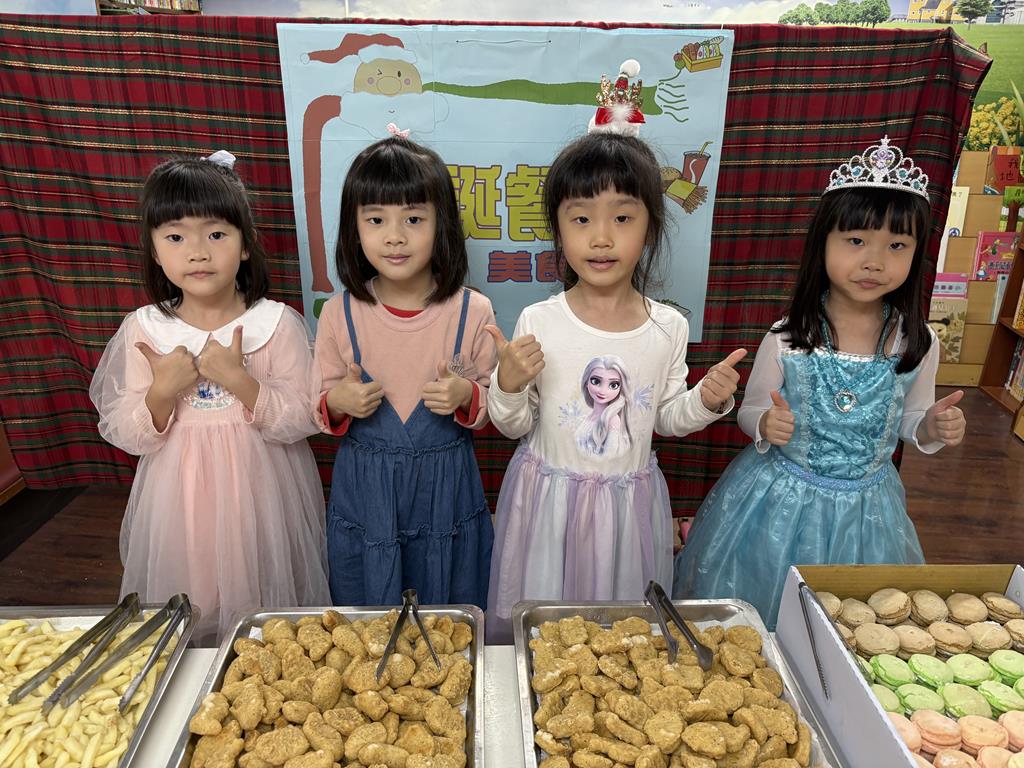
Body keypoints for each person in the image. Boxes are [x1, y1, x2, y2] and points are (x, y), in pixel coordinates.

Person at [485, 60, 746, 642]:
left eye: (622, 218)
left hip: (628, 512)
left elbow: (665, 418)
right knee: (543, 633)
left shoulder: (667, 327)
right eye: (581, 219)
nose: (601, 238)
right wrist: (505, 385)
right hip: (547, 508)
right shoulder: (539, 320)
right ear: (558, 229)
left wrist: (706, 400)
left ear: (650, 228)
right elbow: (515, 424)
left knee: (620, 638)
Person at [674, 136, 967, 628]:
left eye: (897, 246)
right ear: (823, 244)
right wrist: (764, 423)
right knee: (765, 617)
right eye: (856, 241)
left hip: (868, 512)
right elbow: (750, 409)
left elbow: (911, 417)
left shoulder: (916, 340)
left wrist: (930, 427)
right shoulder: (788, 335)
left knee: (856, 622)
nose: (874, 261)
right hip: (778, 501)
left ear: (917, 253)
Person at [90, 151, 329, 644]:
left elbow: (304, 417)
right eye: (176, 237)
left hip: (262, 493)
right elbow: (127, 432)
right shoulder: (145, 329)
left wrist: (241, 381)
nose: (198, 252)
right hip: (180, 499)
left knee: (264, 607)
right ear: (155, 251)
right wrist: (162, 390)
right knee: (189, 601)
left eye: (216, 234)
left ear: (245, 245)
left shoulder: (274, 324)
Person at [315, 134, 496, 609]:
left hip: (446, 492)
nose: (394, 236)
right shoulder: (339, 313)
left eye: (413, 219)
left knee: (448, 614)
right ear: (354, 228)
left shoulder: (472, 311)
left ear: (442, 225)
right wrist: (339, 402)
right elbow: (321, 401)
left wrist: (467, 395)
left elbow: (495, 402)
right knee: (368, 617)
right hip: (368, 494)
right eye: (376, 220)